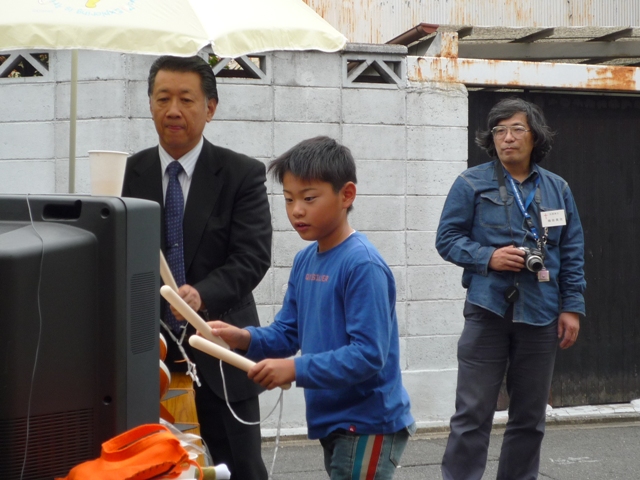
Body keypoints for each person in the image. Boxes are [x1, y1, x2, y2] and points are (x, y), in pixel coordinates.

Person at [206, 136, 415, 479]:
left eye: (308, 198)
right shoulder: (305, 260)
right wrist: (242, 338)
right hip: (332, 420)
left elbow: (368, 354)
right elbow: (287, 332)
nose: (296, 210)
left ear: (346, 195)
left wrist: (295, 369)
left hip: (368, 422)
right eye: (288, 199)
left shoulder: (362, 264)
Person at [121, 55, 271, 480]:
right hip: (147, 356)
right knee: (152, 468)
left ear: (210, 107)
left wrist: (201, 293)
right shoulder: (128, 173)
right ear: (150, 104)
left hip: (220, 348)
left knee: (238, 468)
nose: (173, 110)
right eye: (162, 98)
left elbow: (252, 257)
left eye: (186, 99)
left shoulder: (241, 174)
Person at [436, 97, 586, 479]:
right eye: (499, 130)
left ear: (535, 137)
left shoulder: (557, 188)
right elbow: (447, 239)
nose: (507, 138)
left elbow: (571, 252)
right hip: (487, 310)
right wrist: (488, 257)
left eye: (517, 129)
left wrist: (572, 307)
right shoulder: (470, 183)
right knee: (472, 413)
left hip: (541, 312)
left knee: (530, 418)